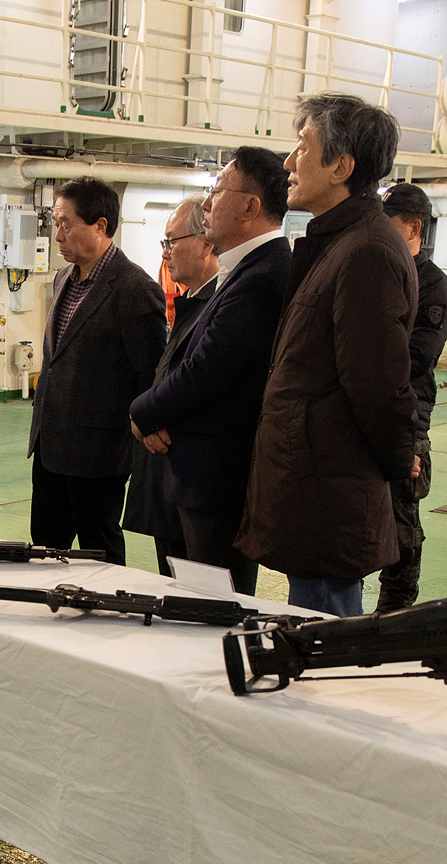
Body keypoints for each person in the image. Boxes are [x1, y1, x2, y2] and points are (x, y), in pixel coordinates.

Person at [237, 94, 419, 617]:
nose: (289, 163)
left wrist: (396, 463)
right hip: (316, 480)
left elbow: (379, 385)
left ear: (341, 167)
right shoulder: (339, 242)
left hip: (330, 488)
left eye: (302, 147)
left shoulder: (365, 252)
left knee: (326, 632)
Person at [130, 147, 292, 596]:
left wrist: (143, 411)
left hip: (220, 476)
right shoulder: (245, 271)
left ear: (250, 207)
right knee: (194, 597)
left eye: (217, 192)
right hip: (202, 471)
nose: (207, 203)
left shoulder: (262, 276)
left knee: (215, 604)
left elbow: (206, 369)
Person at [26, 177, 167, 565]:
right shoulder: (63, 279)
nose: (57, 235)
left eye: (66, 224)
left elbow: (149, 375)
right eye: (55, 223)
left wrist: (138, 438)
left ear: (100, 226)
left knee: (99, 551)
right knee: (44, 547)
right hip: (49, 445)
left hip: (98, 453)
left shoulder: (135, 289)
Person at [374, 183, 447, 612]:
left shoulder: (433, 287)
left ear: (415, 228)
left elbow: (417, 358)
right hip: (367, 413)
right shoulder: (379, 273)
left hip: (407, 419)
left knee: (401, 524)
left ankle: (396, 608)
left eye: (389, 225)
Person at [121, 194, 214, 575]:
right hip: (169, 473)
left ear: (206, 243)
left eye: (171, 242)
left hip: (197, 476)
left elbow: (202, 380)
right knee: (172, 581)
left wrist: (145, 415)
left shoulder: (220, 304)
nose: (164, 253)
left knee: (204, 587)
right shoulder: (191, 301)